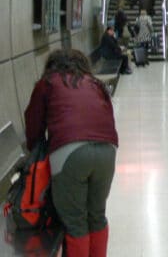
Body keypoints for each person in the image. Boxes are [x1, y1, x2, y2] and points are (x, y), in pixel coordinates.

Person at [24, 49, 119, 256]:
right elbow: (108, 116)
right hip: (108, 150)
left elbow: (33, 124)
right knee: (97, 215)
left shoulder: (47, 83)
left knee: (75, 221)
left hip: (70, 151)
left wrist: (35, 152)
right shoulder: (95, 83)